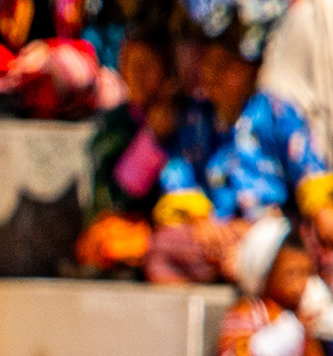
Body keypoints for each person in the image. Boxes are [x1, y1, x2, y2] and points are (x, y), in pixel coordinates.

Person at [148, 34, 331, 285]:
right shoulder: (196, 119)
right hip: (218, 235)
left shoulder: (276, 111)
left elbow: (308, 169)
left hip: (272, 230)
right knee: (163, 246)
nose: (212, 74)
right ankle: (240, 272)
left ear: (252, 70)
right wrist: (201, 220)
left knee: (313, 244)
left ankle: (258, 273)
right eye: (208, 65)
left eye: (224, 66)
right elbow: (179, 172)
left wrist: (320, 211)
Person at [213, 216, 332, 356]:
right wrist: (291, 332)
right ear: (264, 273)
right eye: (291, 274)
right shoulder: (249, 312)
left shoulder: (305, 312)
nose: (300, 285)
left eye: (305, 274)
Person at [78, 27, 179, 274]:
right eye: (128, 65)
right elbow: (112, 200)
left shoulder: (185, 117)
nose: (136, 75)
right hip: (127, 227)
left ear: (166, 71)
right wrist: (152, 139)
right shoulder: (116, 123)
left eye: (146, 67)